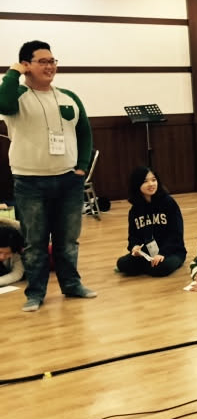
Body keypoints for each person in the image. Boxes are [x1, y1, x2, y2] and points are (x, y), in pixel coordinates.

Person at [0, 40, 96, 312]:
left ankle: (72, 285)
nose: (50, 66)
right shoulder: (17, 96)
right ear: (26, 65)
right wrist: (13, 72)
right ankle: (36, 293)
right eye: (42, 61)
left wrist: (82, 167)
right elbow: (3, 103)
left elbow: (84, 132)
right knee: (35, 243)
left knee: (68, 241)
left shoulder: (68, 97)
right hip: (30, 182)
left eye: (52, 61)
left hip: (69, 180)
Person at [115, 166, 186, 277]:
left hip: (171, 251)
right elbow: (133, 236)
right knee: (122, 263)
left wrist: (162, 253)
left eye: (153, 180)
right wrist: (134, 247)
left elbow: (176, 233)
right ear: (137, 184)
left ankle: (146, 267)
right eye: (145, 181)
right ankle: (148, 266)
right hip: (147, 253)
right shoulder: (135, 209)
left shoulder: (168, 203)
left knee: (163, 267)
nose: (151, 184)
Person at [0, 222, 26, 287]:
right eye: (0, 252)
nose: (2, 257)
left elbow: (17, 274)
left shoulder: (17, 252)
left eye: (8, 253)